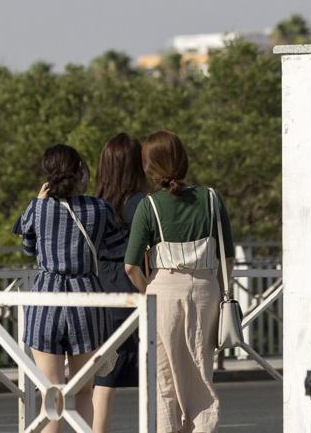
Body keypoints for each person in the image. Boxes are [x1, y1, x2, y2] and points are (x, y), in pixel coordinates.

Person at [124, 130, 234, 433]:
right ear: (183, 160)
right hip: (205, 289)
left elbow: (131, 266)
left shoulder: (149, 206)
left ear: (149, 168)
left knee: (164, 376)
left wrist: (150, 291)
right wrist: (221, 288)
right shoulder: (211, 198)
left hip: (163, 291)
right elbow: (228, 259)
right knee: (200, 371)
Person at [13, 144, 127, 433]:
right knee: (84, 392)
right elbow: (116, 246)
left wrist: (39, 204)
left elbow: (28, 248)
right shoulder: (99, 209)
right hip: (86, 300)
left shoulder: (36, 208)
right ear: (80, 171)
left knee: (50, 397)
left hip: (46, 302)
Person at [91, 133, 150, 433]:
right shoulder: (140, 203)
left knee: (104, 378)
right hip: (134, 295)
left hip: (100, 296)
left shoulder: (94, 205)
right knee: (154, 373)